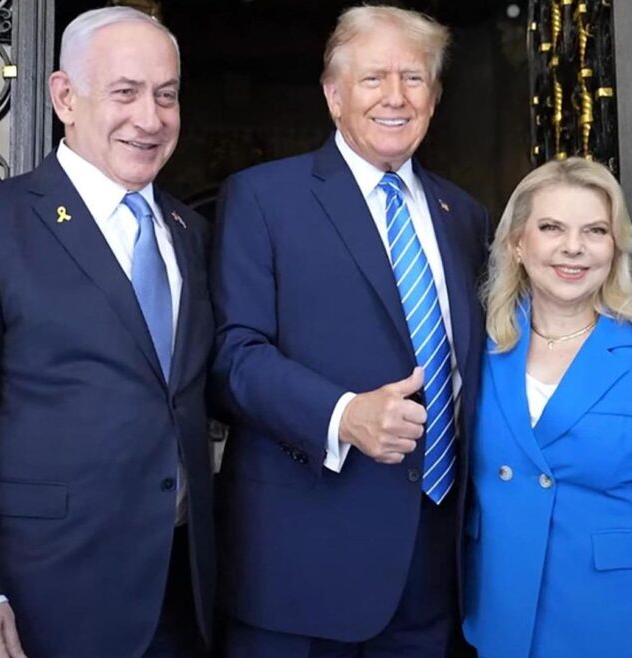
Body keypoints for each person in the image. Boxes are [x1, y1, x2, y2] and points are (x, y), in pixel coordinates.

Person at [0, 7, 215, 657]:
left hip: (180, 596)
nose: (150, 118)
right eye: (125, 92)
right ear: (65, 97)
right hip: (41, 598)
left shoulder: (190, 232)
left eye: (166, 95)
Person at [210, 5, 490, 656]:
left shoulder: (465, 215)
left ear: (434, 97)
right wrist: (342, 415)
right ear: (334, 95)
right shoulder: (263, 198)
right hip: (301, 569)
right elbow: (232, 356)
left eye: (413, 78)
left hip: (434, 570)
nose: (396, 96)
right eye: (373, 78)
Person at [462, 157, 632, 657]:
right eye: (551, 228)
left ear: (615, 246)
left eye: (595, 230)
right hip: (497, 623)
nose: (574, 247)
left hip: (618, 624)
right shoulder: (474, 347)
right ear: (517, 243)